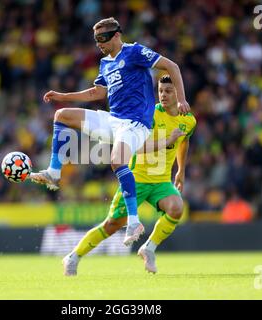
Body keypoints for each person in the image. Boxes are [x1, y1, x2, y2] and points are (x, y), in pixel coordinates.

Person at [30, 17, 190, 247]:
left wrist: (182, 99)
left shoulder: (134, 52)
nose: (99, 44)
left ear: (116, 35)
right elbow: (97, 93)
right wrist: (62, 96)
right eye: (96, 40)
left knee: (117, 160)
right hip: (113, 121)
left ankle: (133, 221)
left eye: (103, 38)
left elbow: (171, 66)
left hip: (135, 124)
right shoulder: (105, 63)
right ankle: (54, 173)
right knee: (62, 115)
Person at [61, 75, 196, 275]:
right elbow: (133, 147)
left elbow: (183, 142)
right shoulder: (147, 114)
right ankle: (73, 257)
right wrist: (167, 140)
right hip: (136, 180)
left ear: (179, 93)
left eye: (168, 91)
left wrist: (181, 171)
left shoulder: (188, 121)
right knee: (111, 225)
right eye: (160, 91)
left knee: (176, 208)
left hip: (160, 182)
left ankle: (148, 249)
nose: (163, 95)